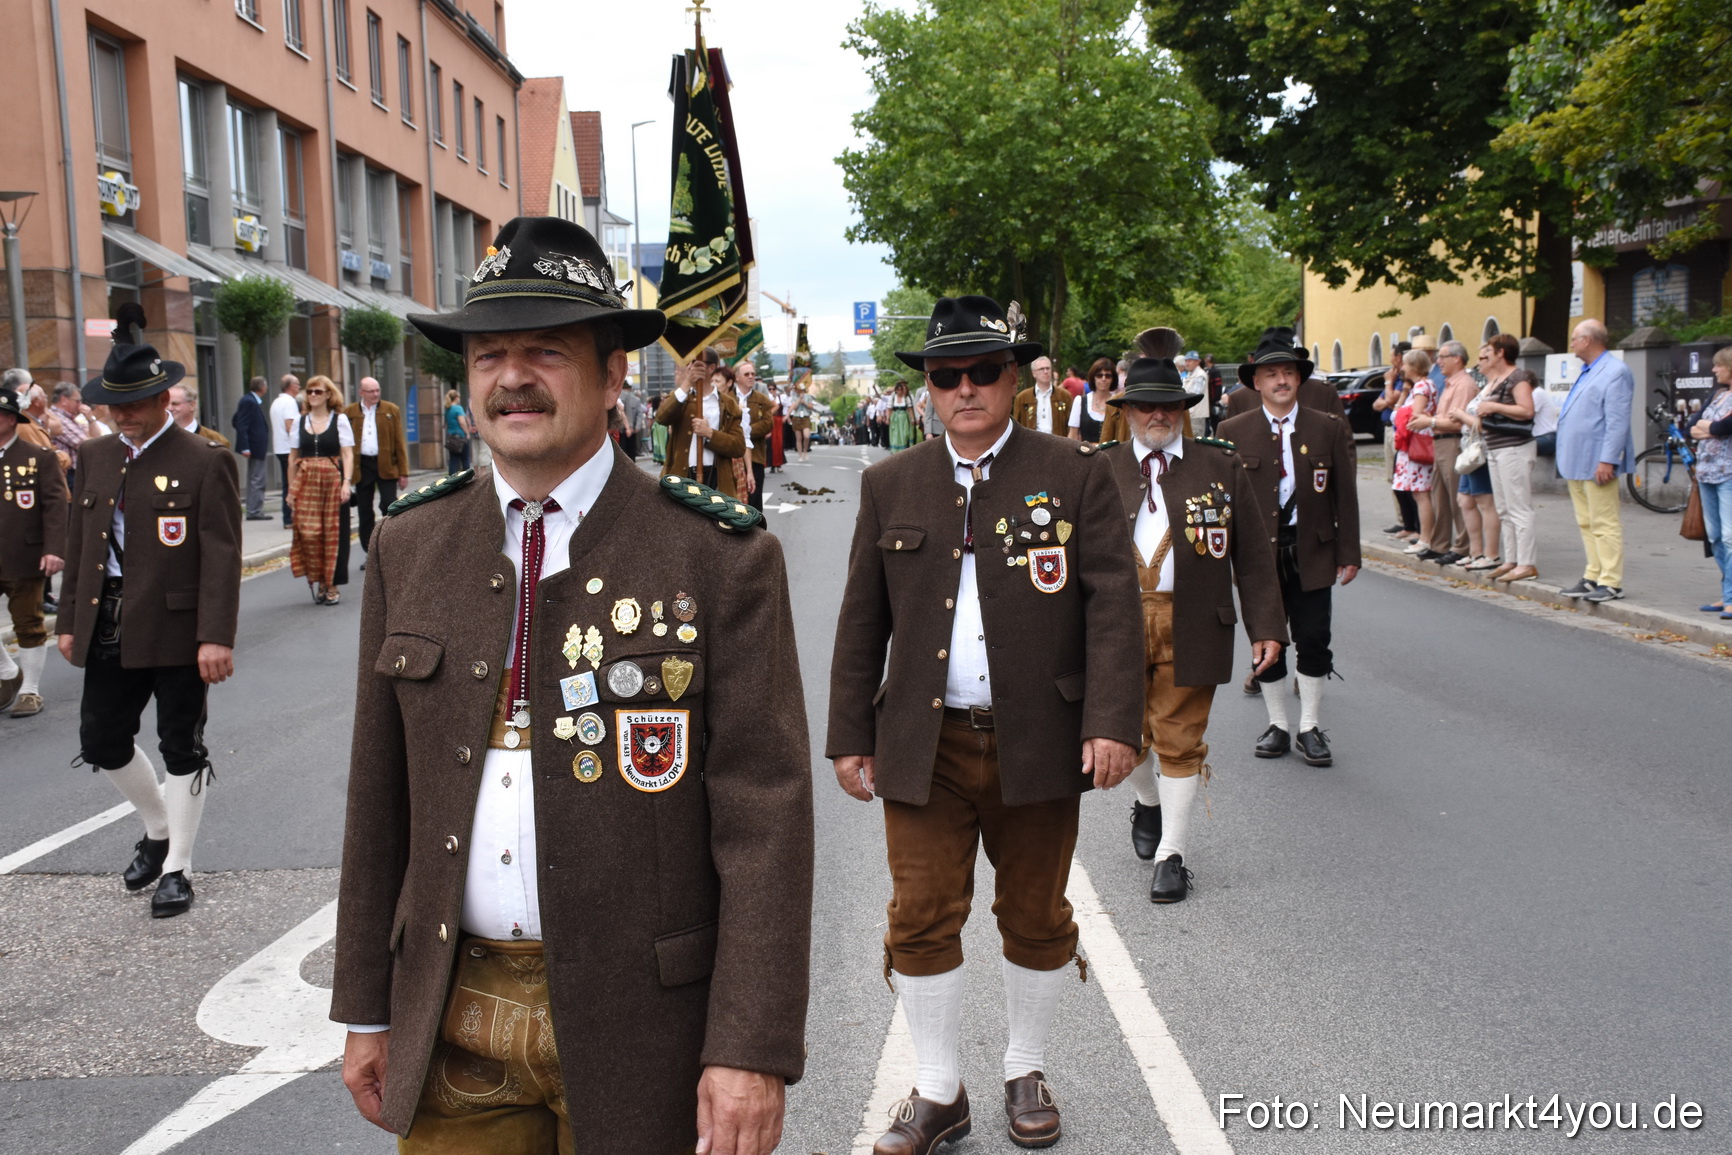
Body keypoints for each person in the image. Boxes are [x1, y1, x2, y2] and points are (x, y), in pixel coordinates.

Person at [332, 216, 812, 1154]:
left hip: (648, 1026)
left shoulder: (717, 555)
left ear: (612, 371)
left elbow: (766, 818)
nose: (512, 377)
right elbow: (377, 796)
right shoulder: (409, 543)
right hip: (453, 1014)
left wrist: (749, 1046)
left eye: (546, 350)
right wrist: (364, 1003)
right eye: (489, 354)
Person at [827, 295, 1144, 1152]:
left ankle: (1024, 1067)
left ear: (1012, 377)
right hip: (923, 744)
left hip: (1040, 736)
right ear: (927, 388)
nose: (963, 388)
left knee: (1036, 912)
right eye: (944, 374)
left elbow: (1114, 604)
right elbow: (863, 619)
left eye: (980, 371)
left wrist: (1114, 718)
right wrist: (850, 732)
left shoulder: (1076, 471)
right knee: (921, 912)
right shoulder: (889, 482)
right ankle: (938, 1092)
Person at [56, 342, 241, 917]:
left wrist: (216, 635)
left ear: (164, 398)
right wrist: (68, 620)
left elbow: (222, 553)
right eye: (114, 403)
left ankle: (178, 868)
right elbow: (80, 541)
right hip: (109, 617)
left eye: (135, 402)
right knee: (102, 739)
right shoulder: (94, 454)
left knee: (179, 743)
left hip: (180, 625)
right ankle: (157, 827)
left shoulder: (205, 460)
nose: (123, 413)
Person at [1099, 334, 1285, 903]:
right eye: (1146, 405)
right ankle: (1149, 802)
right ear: (1127, 410)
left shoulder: (1218, 465)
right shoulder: (1096, 469)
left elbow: (1253, 553)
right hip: (1114, 624)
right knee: (1124, 736)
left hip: (1194, 619)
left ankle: (1171, 854)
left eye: (1170, 405)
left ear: (1185, 409)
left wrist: (1267, 628)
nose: (1159, 415)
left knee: (1179, 739)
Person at [1217, 327, 1360, 767]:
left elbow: (1344, 494)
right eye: (1271, 374)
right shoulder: (1232, 430)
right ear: (1256, 382)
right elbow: (1222, 501)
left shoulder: (1327, 427)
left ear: (1299, 379)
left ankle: (1309, 726)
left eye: (1288, 373)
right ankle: (1278, 724)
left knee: (1315, 637)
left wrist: (1349, 552)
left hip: (1313, 549)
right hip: (1257, 555)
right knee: (1267, 638)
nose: (1281, 380)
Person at [0, 387, 69, 717]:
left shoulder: (37, 457)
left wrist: (54, 548)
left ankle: (30, 690)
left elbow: (55, 507)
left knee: (28, 623)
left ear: (11, 419)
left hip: (24, 554)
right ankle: (8, 673)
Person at [1556, 320, 1636, 603]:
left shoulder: (1615, 372)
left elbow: (1617, 421)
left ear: (1588, 340)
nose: (1572, 343)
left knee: (1604, 522)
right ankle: (1593, 574)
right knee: (1586, 521)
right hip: (1577, 459)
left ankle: (1611, 581)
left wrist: (1608, 459)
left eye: (1575, 338)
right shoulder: (1589, 370)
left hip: (1596, 460)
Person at [287, 375, 355, 606]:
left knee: (334, 534)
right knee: (309, 534)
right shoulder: (300, 421)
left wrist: (346, 482)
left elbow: (347, 453)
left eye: (317, 391)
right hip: (306, 483)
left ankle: (332, 584)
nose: (312, 395)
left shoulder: (340, 420)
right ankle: (319, 580)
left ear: (328, 394)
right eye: (309, 391)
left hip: (332, 482)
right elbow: (292, 458)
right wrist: (290, 491)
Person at [1416, 342, 1474, 563]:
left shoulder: (1464, 385)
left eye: (1442, 356)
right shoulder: (1450, 384)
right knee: (1439, 496)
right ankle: (1440, 544)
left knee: (1456, 496)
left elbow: (1457, 423)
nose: (1438, 361)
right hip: (1440, 441)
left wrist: (1428, 421)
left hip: (1452, 442)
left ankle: (1462, 546)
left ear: (1457, 359)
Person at [658, 359, 746, 498]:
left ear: (711, 368)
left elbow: (739, 447)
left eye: (697, 364)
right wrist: (686, 383)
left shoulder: (728, 403)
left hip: (716, 478)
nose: (691, 368)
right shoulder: (680, 397)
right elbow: (661, 418)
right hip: (682, 477)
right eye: (689, 364)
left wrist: (710, 433)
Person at [1688, 347, 1732, 618]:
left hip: (1728, 474)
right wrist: (1708, 427)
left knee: (1729, 536)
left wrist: (1708, 428)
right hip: (1705, 473)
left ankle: (1730, 597)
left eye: (1718, 365)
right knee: (1714, 536)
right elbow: (1691, 426)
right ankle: (1727, 593)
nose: (1714, 370)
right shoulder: (1716, 395)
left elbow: (1722, 428)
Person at [346, 377, 411, 558]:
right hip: (362, 466)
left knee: (390, 506)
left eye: (377, 390)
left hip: (386, 465)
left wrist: (403, 472)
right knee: (364, 510)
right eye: (371, 391)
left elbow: (399, 442)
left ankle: (390, 549)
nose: (375, 394)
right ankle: (371, 553)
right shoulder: (349, 412)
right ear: (361, 393)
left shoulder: (391, 410)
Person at [1394, 350, 1438, 558]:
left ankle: (1426, 537)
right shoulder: (1421, 385)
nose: (1402, 368)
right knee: (1419, 493)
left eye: (1405, 364)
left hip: (1416, 443)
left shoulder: (1421, 386)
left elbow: (1414, 415)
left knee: (1421, 493)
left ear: (1413, 366)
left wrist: (1400, 415)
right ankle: (1425, 536)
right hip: (1414, 442)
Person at [735, 360, 774, 509]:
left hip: (756, 455)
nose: (751, 377)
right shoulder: (727, 398)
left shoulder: (762, 399)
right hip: (732, 457)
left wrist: (747, 430)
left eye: (752, 374)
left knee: (755, 500)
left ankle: (757, 531)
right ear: (737, 377)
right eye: (747, 374)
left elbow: (768, 423)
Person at [231, 375, 271, 520]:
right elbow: (241, 423)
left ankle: (254, 509)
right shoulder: (249, 401)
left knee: (256, 477)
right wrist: (245, 446)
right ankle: (254, 511)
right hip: (254, 446)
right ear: (262, 387)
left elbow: (236, 420)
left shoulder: (249, 401)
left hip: (255, 446)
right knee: (257, 478)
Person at [1014, 356, 1072, 436]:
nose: (1045, 372)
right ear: (1034, 373)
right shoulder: (1022, 398)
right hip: (1031, 444)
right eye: (1041, 369)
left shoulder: (1064, 396)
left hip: (1058, 444)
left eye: (1048, 368)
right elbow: (1016, 426)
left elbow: (1071, 426)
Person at [272, 375, 302, 525]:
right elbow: (290, 427)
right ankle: (290, 517)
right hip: (289, 448)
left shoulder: (276, 402)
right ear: (290, 386)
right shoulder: (290, 402)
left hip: (279, 447)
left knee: (287, 484)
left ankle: (288, 517)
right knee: (293, 483)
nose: (299, 386)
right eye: (297, 384)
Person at [1067, 357, 1117, 443]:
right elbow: (1072, 435)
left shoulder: (1118, 403)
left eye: (1108, 376)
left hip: (1113, 455)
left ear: (1113, 379)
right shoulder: (1080, 401)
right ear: (1093, 377)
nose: (1103, 379)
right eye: (1099, 375)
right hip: (1086, 454)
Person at [442, 388, 473, 473]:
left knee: (453, 461)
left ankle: (451, 482)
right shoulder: (458, 408)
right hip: (461, 437)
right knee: (465, 461)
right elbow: (462, 422)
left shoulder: (447, 409)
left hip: (451, 438)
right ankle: (467, 482)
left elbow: (444, 425)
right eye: (459, 397)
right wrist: (467, 433)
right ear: (456, 397)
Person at [618, 375, 645, 458]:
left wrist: (634, 426)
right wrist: (635, 426)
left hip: (623, 429)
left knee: (625, 451)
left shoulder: (619, 398)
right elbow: (639, 414)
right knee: (629, 452)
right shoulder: (634, 399)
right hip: (628, 429)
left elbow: (638, 414)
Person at [887, 379, 916, 451]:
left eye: (901, 389)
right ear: (896, 390)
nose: (900, 391)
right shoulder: (893, 397)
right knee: (895, 434)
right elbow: (889, 409)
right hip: (895, 418)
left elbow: (910, 409)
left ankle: (904, 449)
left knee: (905, 433)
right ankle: (895, 450)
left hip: (904, 418)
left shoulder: (906, 397)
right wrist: (888, 418)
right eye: (898, 389)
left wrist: (912, 418)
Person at [791, 385, 816, 460]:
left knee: (806, 436)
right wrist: (799, 399)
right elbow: (794, 407)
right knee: (798, 438)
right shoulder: (794, 396)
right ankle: (800, 455)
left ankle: (805, 451)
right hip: (797, 417)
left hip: (805, 417)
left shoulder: (808, 396)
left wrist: (804, 402)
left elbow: (811, 406)